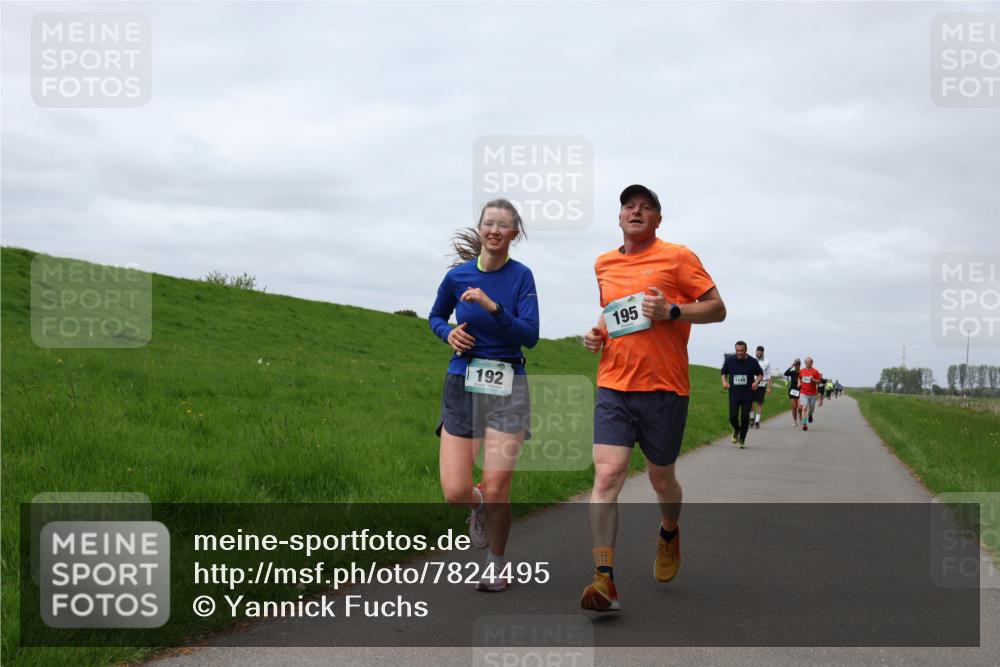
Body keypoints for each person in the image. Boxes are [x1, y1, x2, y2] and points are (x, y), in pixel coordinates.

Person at [579, 184, 726, 612]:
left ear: (658, 220)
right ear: (620, 217)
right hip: (614, 386)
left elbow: (717, 309)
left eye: (646, 207)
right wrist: (596, 335)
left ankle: (669, 530)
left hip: (665, 390)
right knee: (607, 476)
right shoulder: (603, 263)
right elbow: (610, 316)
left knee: (663, 480)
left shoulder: (678, 257)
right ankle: (603, 579)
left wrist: (674, 311)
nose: (636, 212)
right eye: (629, 206)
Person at [428, 199, 539, 592]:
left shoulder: (522, 278)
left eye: (503, 224)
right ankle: (477, 510)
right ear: (479, 229)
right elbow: (435, 316)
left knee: (497, 487)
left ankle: (497, 563)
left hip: (509, 383)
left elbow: (530, 335)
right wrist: (448, 334)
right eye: (488, 223)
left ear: (514, 234)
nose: (494, 229)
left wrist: (493, 308)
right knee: (457, 490)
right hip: (462, 381)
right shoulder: (456, 277)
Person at [721, 341, 764, 448]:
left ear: (746, 350)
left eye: (741, 351)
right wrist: (724, 382)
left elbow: (760, 374)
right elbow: (723, 373)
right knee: (732, 417)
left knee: (745, 418)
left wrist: (756, 382)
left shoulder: (752, 362)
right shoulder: (730, 360)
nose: (739, 353)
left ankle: (742, 439)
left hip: (748, 395)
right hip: (734, 394)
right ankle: (737, 429)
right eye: (737, 350)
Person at [797, 357, 822, 431]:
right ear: (805, 363)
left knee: (811, 409)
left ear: (812, 363)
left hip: (813, 393)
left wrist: (813, 379)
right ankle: (804, 424)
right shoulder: (802, 370)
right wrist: (799, 383)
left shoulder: (815, 371)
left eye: (809, 362)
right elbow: (799, 378)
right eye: (806, 362)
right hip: (803, 392)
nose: (808, 363)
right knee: (804, 408)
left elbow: (819, 381)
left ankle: (810, 415)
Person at [750, 345, 772, 429]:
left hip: (762, 383)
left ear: (763, 353)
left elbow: (769, 376)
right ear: (755, 352)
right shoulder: (751, 359)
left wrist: (769, 387)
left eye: (760, 353)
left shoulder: (767, 362)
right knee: (750, 402)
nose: (758, 354)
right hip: (752, 382)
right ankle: (752, 418)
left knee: (759, 403)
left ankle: (757, 422)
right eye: (757, 353)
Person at [784, 359, 802, 426]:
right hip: (792, 390)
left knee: (799, 407)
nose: (797, 366)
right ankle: (795, 421)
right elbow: (785, 373)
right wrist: (791, 366)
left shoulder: (802, 372)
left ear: (800, 365)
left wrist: (801, 384)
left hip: (800, 390)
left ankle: (800, 417)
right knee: (794, 407)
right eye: (796, 364)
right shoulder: (792, 372)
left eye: (798, 364)